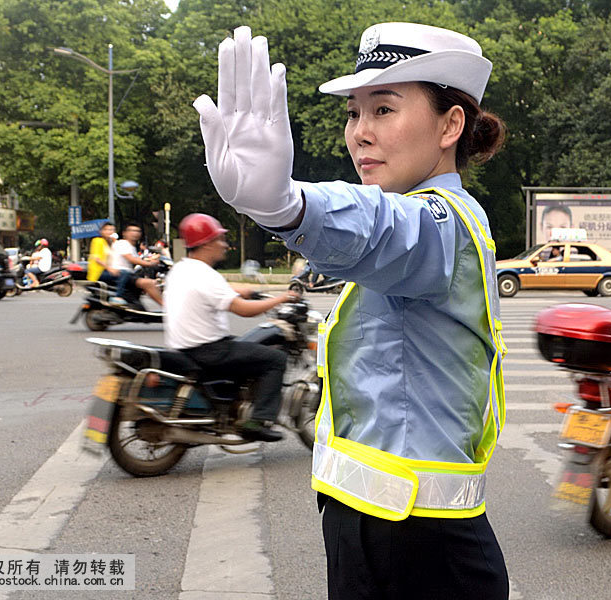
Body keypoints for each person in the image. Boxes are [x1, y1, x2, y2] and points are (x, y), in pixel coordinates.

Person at [194, 22, 509, 599]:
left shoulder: (442, 223)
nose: (360, 133)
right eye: (354, 113)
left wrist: (288, 205)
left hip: (424, 551)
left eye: (383, 109)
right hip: (377, 530)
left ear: (450, 124)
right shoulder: (415, 215)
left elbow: (379, 228)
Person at [164, 213, 298, 441]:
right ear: (206, 244)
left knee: (246, 348)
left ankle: (233, 405)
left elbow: (221, 288)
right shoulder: (205, 275)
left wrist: (245, 289)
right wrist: (281, 299)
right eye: (219, 239)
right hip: (209, 351)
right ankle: (257, 420)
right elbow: (243, 310)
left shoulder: (182, 269)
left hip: (185, 348)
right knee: (274, 360)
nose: (225, 245)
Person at [109, 223, 164, 307]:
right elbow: (131, 259)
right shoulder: (122, 243)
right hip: (121, 274)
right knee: (150, 283)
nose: (135, 233)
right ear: (124, 233)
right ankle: (166, 306)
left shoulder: (132, 247)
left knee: (154, 283)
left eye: (138, 231)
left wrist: (152, 260)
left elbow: (138, 259)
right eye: (132, 231)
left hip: (128, 274)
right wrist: (150, 264)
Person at [86, 221, 119, 287]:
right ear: (101, 231)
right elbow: (97, 259)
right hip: (99, 272)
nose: (109, 232)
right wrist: (110, 269)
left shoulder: (110, 242)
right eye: (106, 230)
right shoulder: (97, 241)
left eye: (112, 230)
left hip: (108, 270)